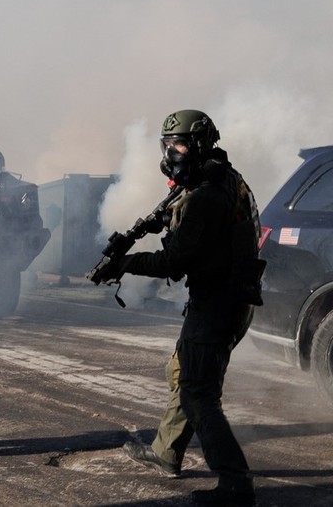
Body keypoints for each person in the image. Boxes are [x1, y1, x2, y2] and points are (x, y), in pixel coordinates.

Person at [94, 110, 261, 506]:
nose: (171, 153)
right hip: (231, 298)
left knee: (199, 394)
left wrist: (125, 263)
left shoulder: (206, 196)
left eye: (179, 145)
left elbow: (173, 263)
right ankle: (166, 451)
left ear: (200, 146)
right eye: (167, 145)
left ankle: (236, 484)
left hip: (218, 302)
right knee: (182, 372)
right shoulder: (224, 177)